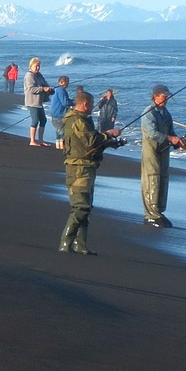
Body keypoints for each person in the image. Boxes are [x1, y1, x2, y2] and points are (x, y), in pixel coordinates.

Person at [58, 90, 121, 254]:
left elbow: (91, 143)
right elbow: (91, 141)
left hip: (87, 167)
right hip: (78, 169)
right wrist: (108, 134)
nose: (93, 107)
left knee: (86, 207)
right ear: (85, 104)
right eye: (92, 104)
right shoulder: (77, 120)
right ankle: (65, 243)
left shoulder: (83, 120)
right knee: (81, 207)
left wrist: (110, 143)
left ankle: (80, 245)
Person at [141, 84, 186, 228]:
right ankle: (151, 214)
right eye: (164, 96)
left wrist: (178, 142)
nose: (166, 99)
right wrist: (170, 138)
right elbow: (152, 133)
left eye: (167, 97)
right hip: (151, 150)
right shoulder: (148, 113)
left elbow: (171, 131)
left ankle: (159, 211)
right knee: (152, 179)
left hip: (164, 149)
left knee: (163, 178)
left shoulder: (166, 113)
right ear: (156, 96)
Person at [23, 57, 55, 147]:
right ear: (31, 66)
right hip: (32, 102)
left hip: (39, 102)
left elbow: (45, 85)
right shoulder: (29, 75)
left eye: (39, 66)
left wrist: (49, 89)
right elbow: (31, 89)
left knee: (43, 120)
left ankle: (40, 140)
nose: (38, 68)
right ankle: (32, 141)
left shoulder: (39, 75)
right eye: (36, 66)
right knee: (35, 120)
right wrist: (43, 89)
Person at [49, 75, 73, 149]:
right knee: (62, 131)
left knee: (58, 131)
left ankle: (58, 146)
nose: (67, 85)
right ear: (61, 82)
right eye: (67, 83)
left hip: (54, 113)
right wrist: (75, 103)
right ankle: (62, 147)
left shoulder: (56, 89)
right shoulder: (61, 90)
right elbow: (65, 102)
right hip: (59, 114)